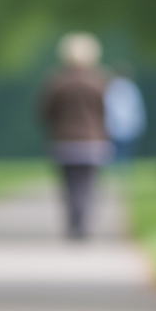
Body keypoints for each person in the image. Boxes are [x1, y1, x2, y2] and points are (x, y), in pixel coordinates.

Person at [39, 33, 113, 239]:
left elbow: (46, 111)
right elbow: (107, 111)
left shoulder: (56, 81)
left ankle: (74, 220)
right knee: (87, 183)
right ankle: (82, 222)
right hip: (92, 140)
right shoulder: (100, 81)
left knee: (68, 184)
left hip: (64, 140)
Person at [104, 64, 146, 173]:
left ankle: (115, 172)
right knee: (125, 152)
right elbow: (137, 107)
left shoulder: (111, 87)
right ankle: (123, 171)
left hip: (115, 125)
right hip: (128, 125)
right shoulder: (131, 88)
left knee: (114, 151)